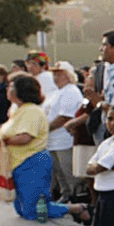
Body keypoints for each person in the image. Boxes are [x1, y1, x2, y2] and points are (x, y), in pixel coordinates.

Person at [0, 75, 73, 221]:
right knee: (22, 209)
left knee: (33, 210)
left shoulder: (31, 111)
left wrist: (3, 141)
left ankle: (75, 209)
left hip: (32, 162)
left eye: (11, 87)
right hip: (18, 162)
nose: (7, 89)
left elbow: (25, 137)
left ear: (19, 91)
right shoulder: (18, 110)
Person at [43, 61, 84, 203]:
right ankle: (66, 195)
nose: (56, 77)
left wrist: (45, 128)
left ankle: (76, 197)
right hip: (53, 140)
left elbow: (64, 117)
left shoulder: (71, 91)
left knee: (68, 171)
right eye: (54, 74)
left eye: (59, 74)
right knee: (60, 173)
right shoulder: (57, 92)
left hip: (63, 139)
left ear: (68, 75)